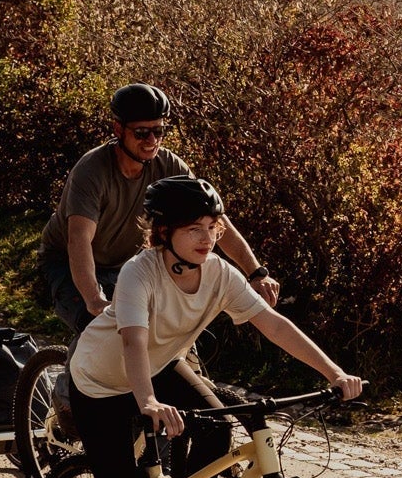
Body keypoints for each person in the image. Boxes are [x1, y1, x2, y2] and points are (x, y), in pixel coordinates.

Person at [67, 175, 364, 478]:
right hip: (102, 381)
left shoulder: (220, 274)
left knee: (218, 426)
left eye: (212, 226)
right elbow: (133, 341)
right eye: (193, 229)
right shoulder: (141, 274)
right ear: (163, 233)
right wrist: (148, 402)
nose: (207, 237)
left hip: (158, 367)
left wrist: (332, 372)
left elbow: (273, 323)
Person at [37, 83, 279, 335]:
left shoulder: (169, 165)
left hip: (126, 263)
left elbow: (215, 221)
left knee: (159, 329)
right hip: (66, 261)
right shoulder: (91, 171)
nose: (151, 141)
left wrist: (256, 272)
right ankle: (74, 375)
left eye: (158, 131)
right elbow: (79, 239)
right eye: (141, 133)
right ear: (118, 129)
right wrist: (95, 300)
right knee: (98, 331)